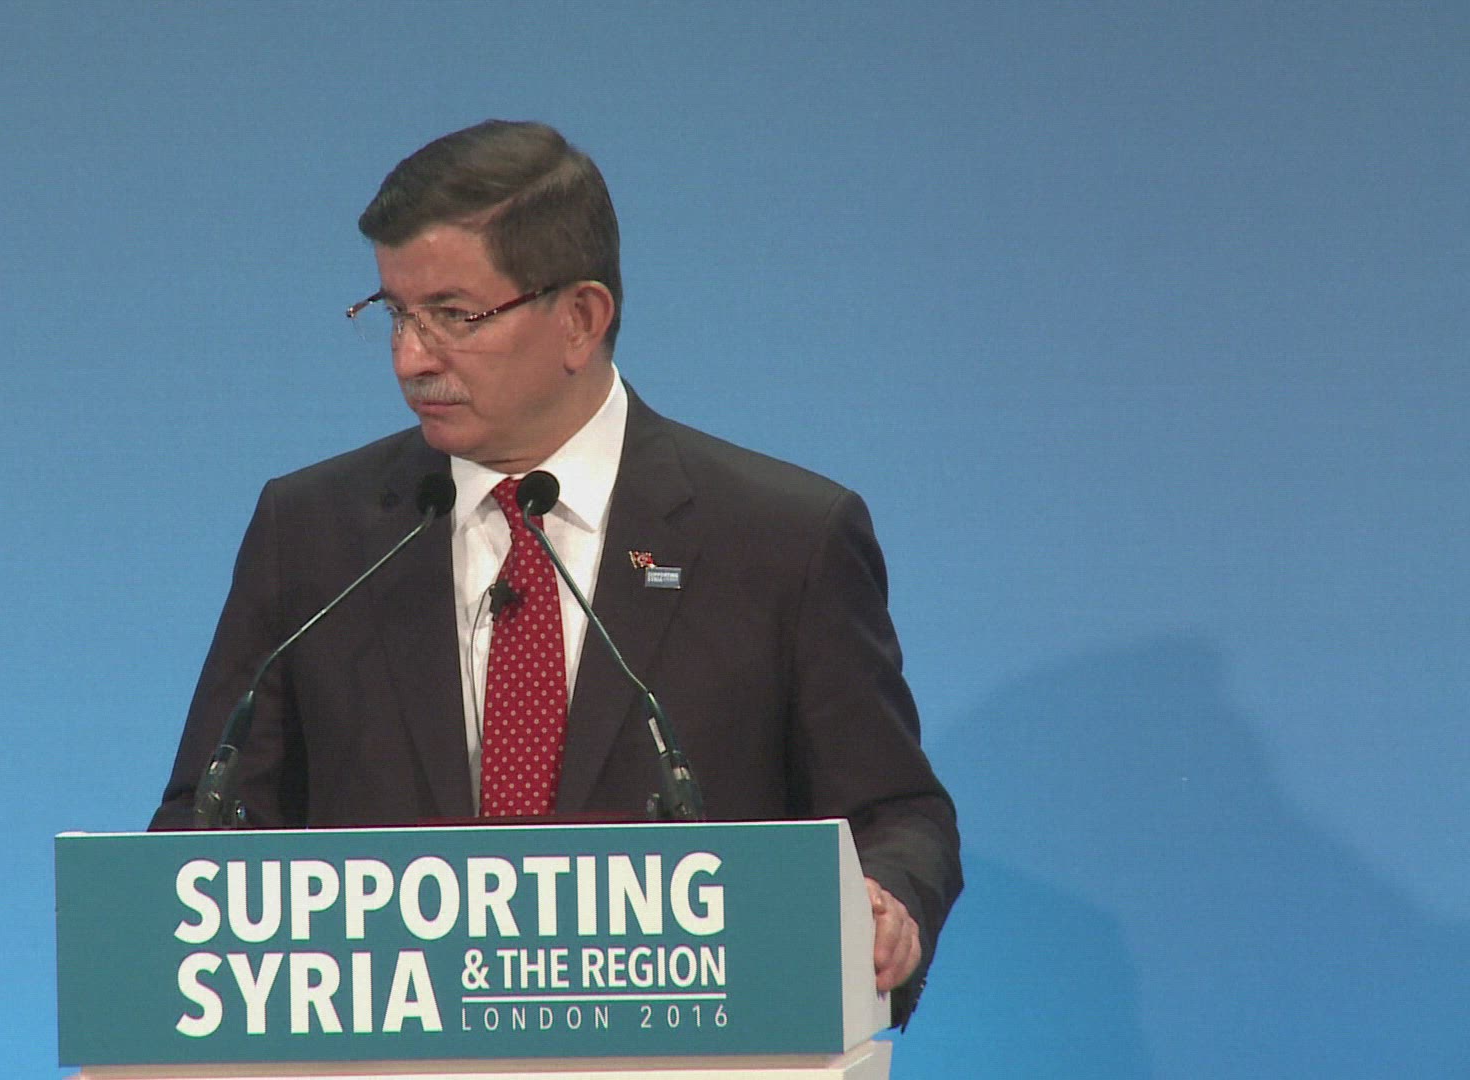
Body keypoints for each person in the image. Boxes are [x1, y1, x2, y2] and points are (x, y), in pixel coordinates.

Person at [151, 120, 961, 1025]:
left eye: (455, 315)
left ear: (580, 319)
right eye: (395, 313)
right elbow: (207, 821)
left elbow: (896, 813)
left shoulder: (781, 540)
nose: (411, 357)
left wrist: (888, 901)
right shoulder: (314, 532)